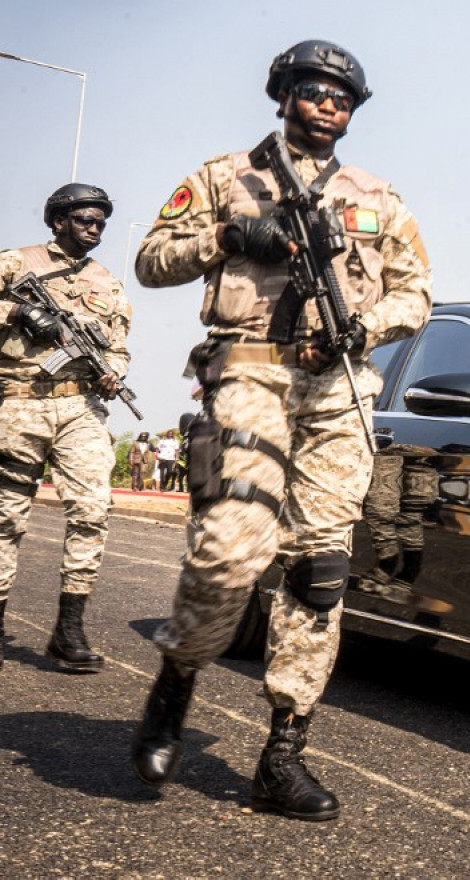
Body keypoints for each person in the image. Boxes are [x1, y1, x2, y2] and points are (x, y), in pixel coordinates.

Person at [130, 39, 433, 820]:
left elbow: (416, 295)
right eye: (314, 89)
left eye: (342, 95)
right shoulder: (223, 176)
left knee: (319, 571)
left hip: (339, 384)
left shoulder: (380, 197)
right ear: (284, 93)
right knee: (232, 549)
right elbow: (151, 261)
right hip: (250, 371)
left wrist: (364, 329)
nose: (328, 104)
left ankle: (282, 752)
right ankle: (180, 675)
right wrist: (229, 238)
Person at [0, 183, 131, 672]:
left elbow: (118, 344)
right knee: (6, 516)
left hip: (80, 408)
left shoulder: (109, 284)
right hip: (19, 404)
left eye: (100, 222)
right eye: (84, 220)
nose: (94, 229)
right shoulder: (17, 263)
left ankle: (69, 628)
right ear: (57, 221)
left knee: (92, 510)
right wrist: (17, 310)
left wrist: (115, 371)